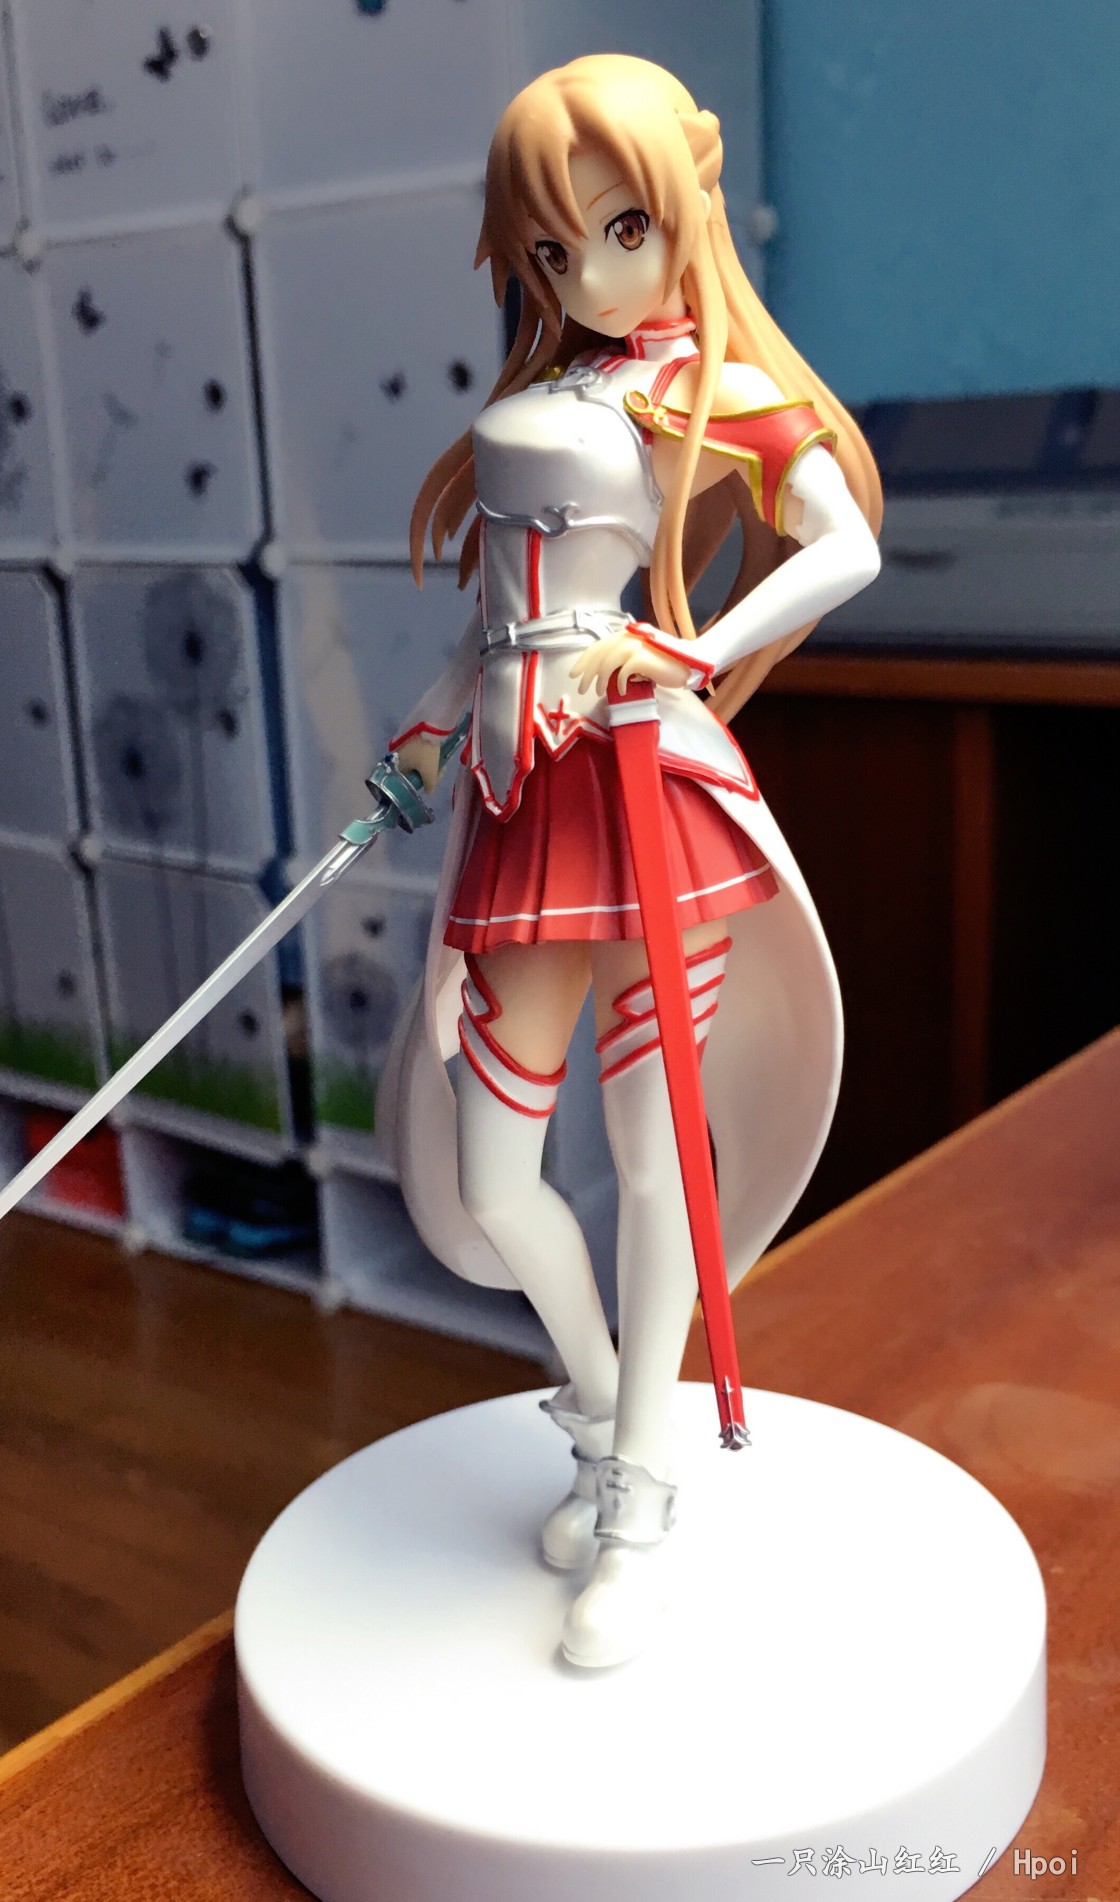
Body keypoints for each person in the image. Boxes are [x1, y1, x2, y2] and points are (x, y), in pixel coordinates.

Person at [375, 53, 882, 1669]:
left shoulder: (703, 387)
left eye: (618, 231)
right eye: (550, 247)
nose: (587, 275)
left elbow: (846, 541)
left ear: (682, 212)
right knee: (495, 1171)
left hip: (651, 796)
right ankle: (605, 1404)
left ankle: (643, 1496)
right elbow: (494, 622)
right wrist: (421, 738)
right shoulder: (555, 390)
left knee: (659, 1160)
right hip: (522, 802)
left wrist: (696, 648)